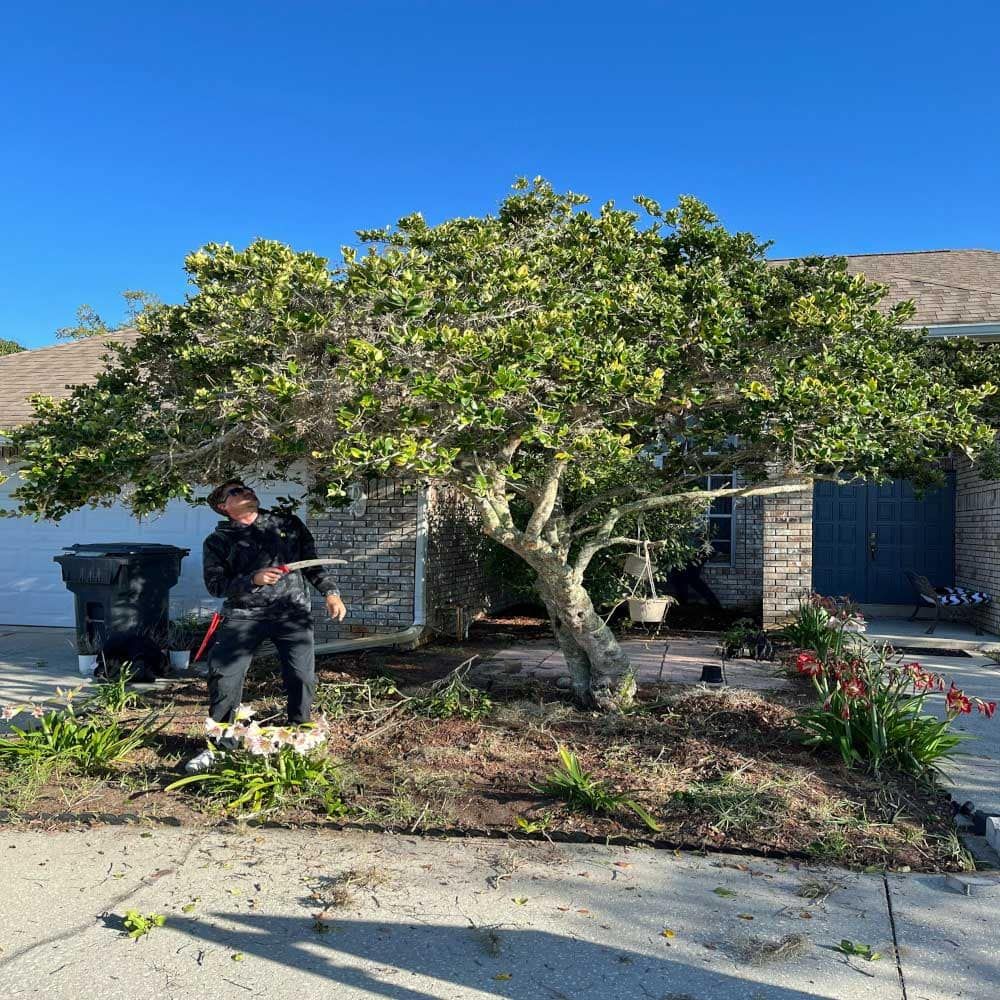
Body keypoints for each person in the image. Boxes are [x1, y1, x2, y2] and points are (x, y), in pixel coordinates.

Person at [184, 481, 347, 773]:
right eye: (236, 492)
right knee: (224, 677)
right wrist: (253, 579)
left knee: (301, 676)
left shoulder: (286, 524)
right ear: (223, 506)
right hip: (243, 616)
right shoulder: (218, 541)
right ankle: (221, 747)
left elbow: (310, 562)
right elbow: (217, 586)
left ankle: (300, 737)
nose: (246, 491)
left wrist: (331, 593)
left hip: (291, 614)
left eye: (246, 487)